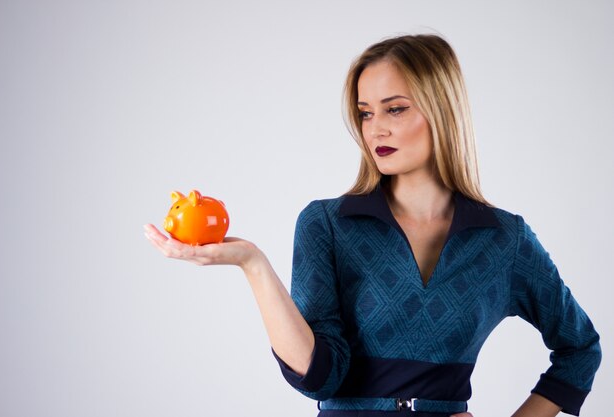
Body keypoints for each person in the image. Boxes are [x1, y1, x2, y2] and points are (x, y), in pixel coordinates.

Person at [143, 34, 601, 417]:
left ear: (441, 110)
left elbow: (580, 350)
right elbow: (318, 376)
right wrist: (252, 263)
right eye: (365, 112)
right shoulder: (328, 224)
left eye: (394, 109)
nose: (374, 129)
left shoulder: (504, 239)